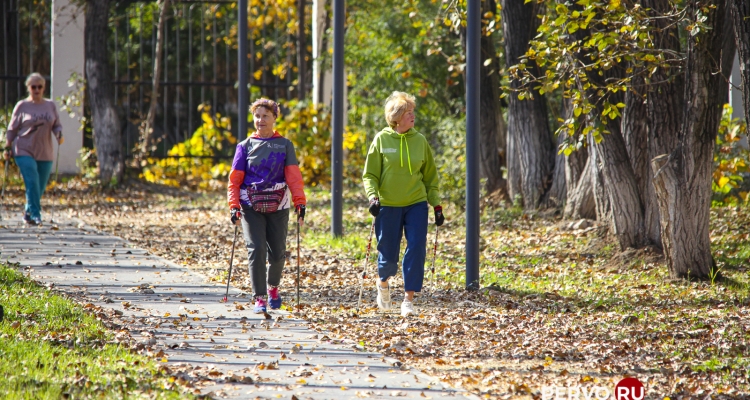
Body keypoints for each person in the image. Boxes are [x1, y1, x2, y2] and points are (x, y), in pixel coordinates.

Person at [362, 91, 445, 317]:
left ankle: (408, 300)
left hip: (416, 203)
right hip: (388, 204)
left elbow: (430, 177)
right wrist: (373, 197)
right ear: (396, 116)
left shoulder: (420, 141)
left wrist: (436, 205)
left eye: (413, 112)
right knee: (388, 254)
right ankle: (383, 285)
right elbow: (370, 175)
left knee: (417, 247)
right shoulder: (381, 139)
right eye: (409, 112)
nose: (413, 116)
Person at [227, 98, 307, 314]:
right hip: (250, 205)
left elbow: (294, 177)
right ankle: (259, 297)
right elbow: (234, 181)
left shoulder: (285, 145)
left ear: (274, 118)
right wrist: (234, 206)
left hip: (278, 204)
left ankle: (273, 287)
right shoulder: (244, 147)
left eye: (265, 116)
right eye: (257, 116)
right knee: (256, 249)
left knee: (278, 254)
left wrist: (300, 202)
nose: (260, 120)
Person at [3, 73, 64, 226]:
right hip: (23, 149)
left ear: (44, 88)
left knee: (39, 186)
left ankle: (28, 213)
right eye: (33, 87)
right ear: (28, 88)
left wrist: (59, 134)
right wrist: (7, 145)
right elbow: (12, 128)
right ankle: (36, 215)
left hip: (45, 151)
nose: (36, 90)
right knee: (32, 180)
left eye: (40, 87)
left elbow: (56, 124)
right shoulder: (22, 106)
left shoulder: (50, 105)